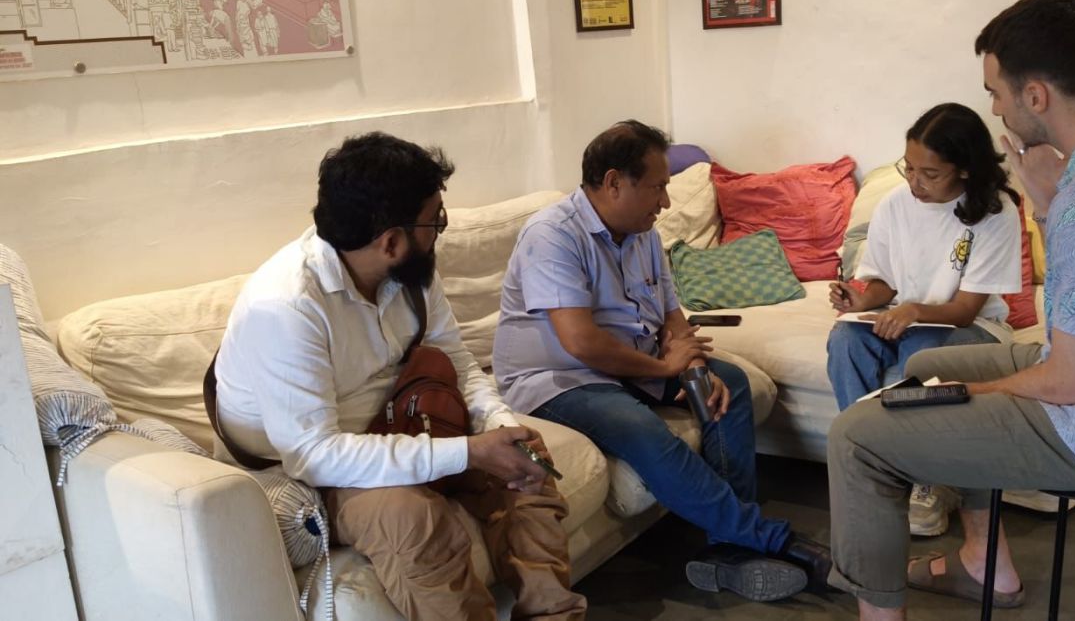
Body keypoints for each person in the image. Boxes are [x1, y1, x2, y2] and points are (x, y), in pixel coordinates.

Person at [825, 0, 1075, 619]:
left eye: (996, 93)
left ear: (1035, 96)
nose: (995, 107)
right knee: (924, 371)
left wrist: (969, 397)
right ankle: (982, 559)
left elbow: (1068, 383)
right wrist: (1046, 204)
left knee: (857, 437)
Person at [213, 132, 586, 621]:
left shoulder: (409, 272)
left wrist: (499, 426)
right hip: (310, 469)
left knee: (527, 471)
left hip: (403, 423)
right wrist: (469, 452)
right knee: (412, 519)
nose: (439, 231)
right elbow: (313, 454)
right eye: (435, 220)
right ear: (390, 241)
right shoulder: (286, 306)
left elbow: (456, 361)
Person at [493, 120, 832, 603]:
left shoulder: (644, 233)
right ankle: (772, 539)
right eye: (657, 187)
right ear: (614, 182)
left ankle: (730, 549)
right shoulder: (552, 235)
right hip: (561, 378)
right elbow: (581, 343)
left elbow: (671, 314)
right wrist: (666, 369)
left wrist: (692, 366)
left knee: (728, 385)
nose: (666, 202)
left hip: (630, 363)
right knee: (641, 428)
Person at [825, 103, 1025, 537]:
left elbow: (966, 309)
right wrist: (859, 301)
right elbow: (884, 284)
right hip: (905, 318)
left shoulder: (996, 212)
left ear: (965, 169)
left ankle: (925, 475)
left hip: (973, 328)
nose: (915, 182)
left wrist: (913, 311)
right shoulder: (896, 204)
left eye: (929, 174)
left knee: (921, 354)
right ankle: (867, 453)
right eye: (909, 168)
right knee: (845, 339)